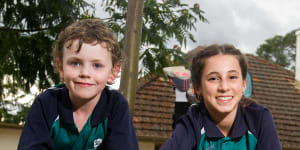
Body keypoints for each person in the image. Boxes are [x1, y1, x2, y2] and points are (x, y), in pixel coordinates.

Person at [18, 19, 139, 150]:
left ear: (113, 72)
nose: (85, 73)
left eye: (97, 65)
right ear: (60, 67)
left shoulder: (115, 105)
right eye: (75, 63)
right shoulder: (46, 103)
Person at [160, 44, 281, 150]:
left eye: (232, 77)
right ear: (198, 88)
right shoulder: (193, 121)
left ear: (244, 85)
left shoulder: (258, 118)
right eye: (213, 78)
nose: (224, 87)